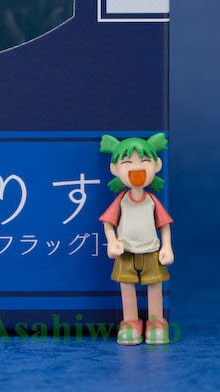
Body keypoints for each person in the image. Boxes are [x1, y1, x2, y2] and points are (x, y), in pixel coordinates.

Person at [99, 133, 174, 345]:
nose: (136, 168)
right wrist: (112, 242)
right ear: (115, 169)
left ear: (156, 165)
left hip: (152, 251)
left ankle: (156, 322)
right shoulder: (122, 200)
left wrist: (167, 247)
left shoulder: (152, 201)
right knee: (126, 285)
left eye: (144, 161)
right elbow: (108, 223)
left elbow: (164, 225)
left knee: (155, 285)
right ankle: (130, 322)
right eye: (127, 163)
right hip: (125, 252)